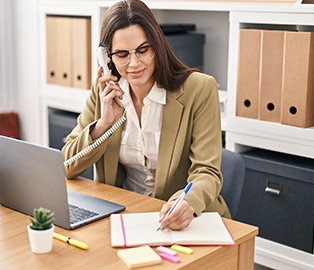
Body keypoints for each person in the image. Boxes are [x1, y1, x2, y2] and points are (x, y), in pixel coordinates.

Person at [62, 0, 230, 230]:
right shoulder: (104, 92)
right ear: (107, 56)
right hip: (126, 214)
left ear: (157, 46)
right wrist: (104, 123)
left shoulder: (199, 90)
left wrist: (187, 202)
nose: (134, 63)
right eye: (121, 54)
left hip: (183, 218)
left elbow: (207, 172)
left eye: (143, 50)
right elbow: (67, 166)